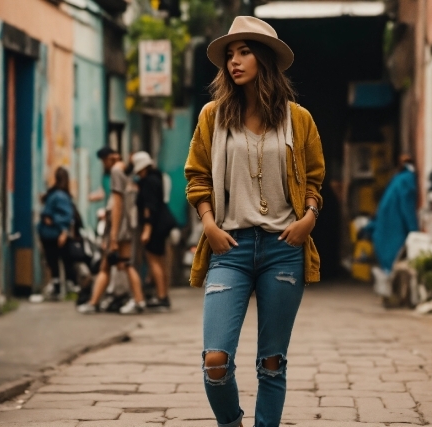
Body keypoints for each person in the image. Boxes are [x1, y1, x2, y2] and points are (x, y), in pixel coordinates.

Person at [184, 16, 325, 427]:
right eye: (230, 54)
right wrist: (209, 223)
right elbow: (197, 175)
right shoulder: (213, 116)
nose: (234, 61)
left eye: (244, 52)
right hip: (230, 247)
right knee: (215, 361)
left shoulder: (299, 119)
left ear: (264, 59)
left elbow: (314, 179)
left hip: (285, 249)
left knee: (272, 363)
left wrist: (309, 220)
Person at [78, 150, 146, 314]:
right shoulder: (125, 172)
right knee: (111, 265)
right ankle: (95, 302)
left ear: (109, 159)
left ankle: (137, 301)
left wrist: (113, 236)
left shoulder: (116, 171)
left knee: (121, 264)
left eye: (103, 162)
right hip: (126, 227)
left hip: (120, 229)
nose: (104, 166)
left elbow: (117, 204)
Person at [132, 151, 175, 311]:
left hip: (155, 226)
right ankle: (163, 295)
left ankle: (162, 296)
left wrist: (147, 230)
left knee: (153, 260)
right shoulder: (158, 178)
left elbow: (149, 207)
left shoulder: (148, 182)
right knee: (160, 261)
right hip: (162, 225)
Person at [368, 154, 419, 275]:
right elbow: (406, 206)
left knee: (389, 264)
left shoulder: (398, 178)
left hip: (384, 228)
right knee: (393, 261)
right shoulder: (407, 179)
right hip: (393, 228)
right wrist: (414, 230)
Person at [37, 167, 77, 299]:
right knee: (65, 262)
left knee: (53, 263)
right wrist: (64, 231)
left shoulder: (54, 194)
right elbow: (67, 216)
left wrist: (52, 220)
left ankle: (57, 289)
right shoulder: (62, 195)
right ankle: (67, 288)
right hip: (57, 234)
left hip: (50, 234)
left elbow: (48, 216)